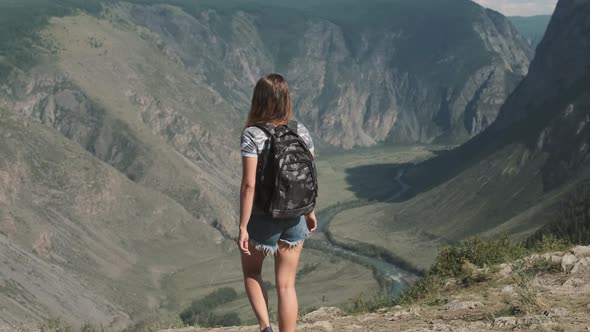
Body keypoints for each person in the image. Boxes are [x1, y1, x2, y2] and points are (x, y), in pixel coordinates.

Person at [239, 73, 318, 332]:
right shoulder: (300, 130)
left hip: (263, 218)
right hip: (295, 216)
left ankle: (265, 326)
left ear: (258, 100)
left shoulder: (252, 134)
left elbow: (249, 185)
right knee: (286, 285)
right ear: (286, 100)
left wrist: (243, 226)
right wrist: (310, 212)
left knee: (252, 273)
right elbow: (306, 177)